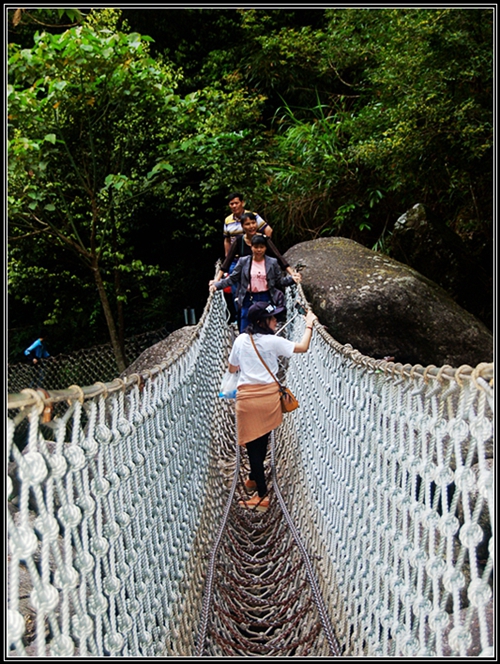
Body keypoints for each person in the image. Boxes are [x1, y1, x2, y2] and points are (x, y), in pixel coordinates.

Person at [227, 300, 318, 511]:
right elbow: (303, 347)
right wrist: (310, 325)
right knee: (261, 443)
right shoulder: (273, 342)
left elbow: (232, 368)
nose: (276, 320)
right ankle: (254, 481)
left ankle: (261, 495)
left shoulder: (241, 340)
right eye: (272, 317)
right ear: (262, 321)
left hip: (248, 401)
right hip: (269, 401)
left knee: (253, 449)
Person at [209, 234, 301, 332]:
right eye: (256, 247)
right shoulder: (243, 261)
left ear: (265, 248)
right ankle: (244, 346)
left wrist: (292, 279)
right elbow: (232, 279)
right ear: (251, 247)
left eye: (262, 247)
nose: (259, 250)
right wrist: (217, 285)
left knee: (266, 326)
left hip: (266, 297)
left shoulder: (272, 262)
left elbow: (279, 281)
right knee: (245, 325)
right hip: (248, 298)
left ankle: (264, 346)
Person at [223, 192, 272, 256]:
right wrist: (227, 256)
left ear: (242, 203)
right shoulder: (227, 220)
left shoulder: (252, 216)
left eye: (236, 203)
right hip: (235, 257)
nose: (234, 206)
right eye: (231, 204)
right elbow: (227, 240)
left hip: (253, 255)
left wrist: (263, 247)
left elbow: (268, 230)